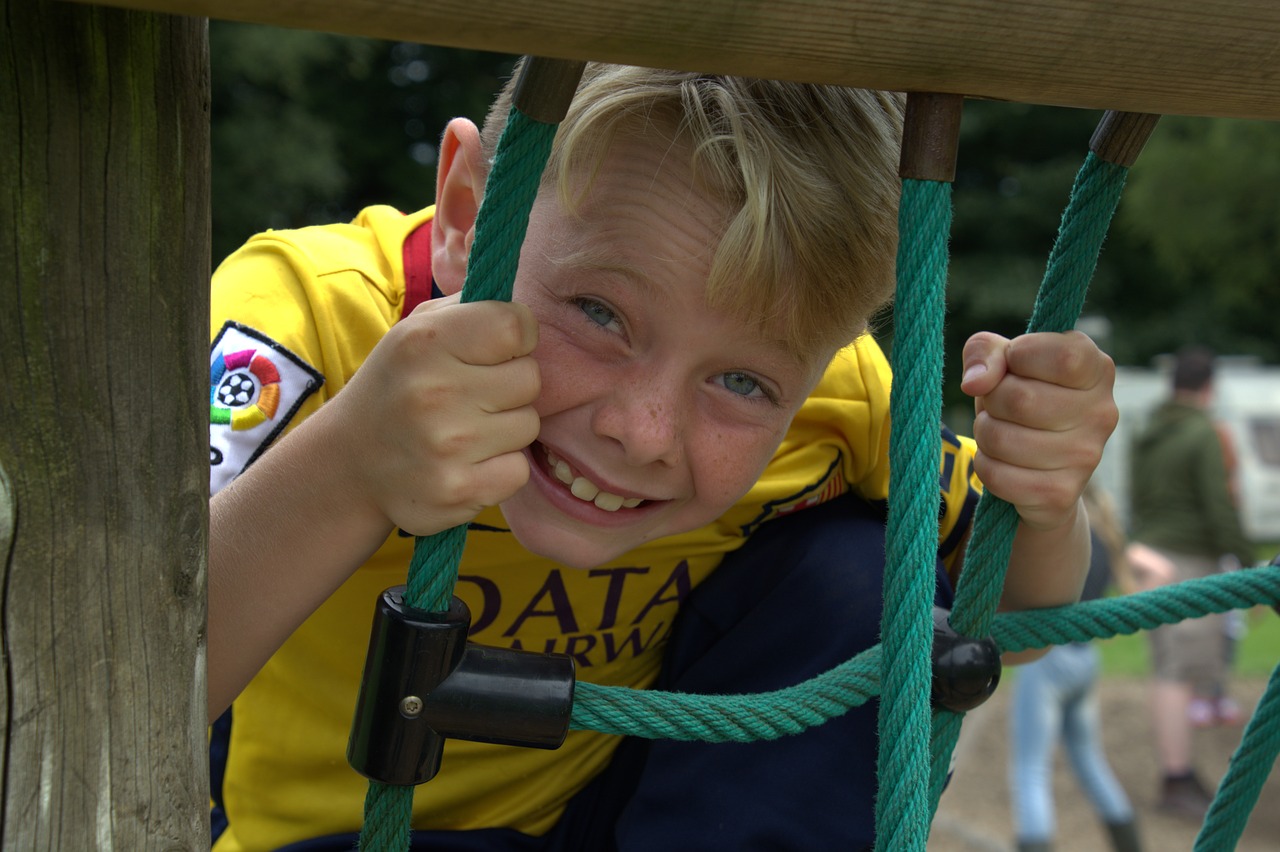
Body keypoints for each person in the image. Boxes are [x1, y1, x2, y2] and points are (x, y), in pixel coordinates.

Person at [206, 63, 1118, 851]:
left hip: (633, 811)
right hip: (356, 826)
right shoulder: (308, 324)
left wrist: (1041, 497)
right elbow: (125, 659)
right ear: (465, 213)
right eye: (599, 314)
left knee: (866, 577)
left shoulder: (841, 402)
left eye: (742, 384)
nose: (641, 432)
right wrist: (349, 465)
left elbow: (1006, 626)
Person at [1127, 344, 1254, 820]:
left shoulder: (1149, 431)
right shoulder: (1202, 433)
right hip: (1186, 561)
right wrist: (1243, 558)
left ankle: (1177, 772)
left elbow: (1138, 496)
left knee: (1167, 669)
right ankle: (1177, 778)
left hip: (1150, 556)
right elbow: (1218, 506)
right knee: (1179, 676)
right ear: (1209, 387)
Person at [1007, 483, 1142, 852]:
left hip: (1049, 660)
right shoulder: (1103, 536)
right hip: (1085, 660)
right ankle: (1132, 844)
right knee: (1088, 759)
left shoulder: (1061, 536)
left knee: (1030, 770)